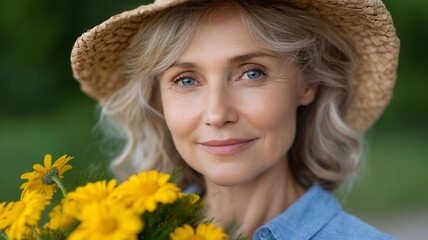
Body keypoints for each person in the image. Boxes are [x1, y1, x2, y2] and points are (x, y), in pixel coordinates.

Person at [70, 0, 400, 239]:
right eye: (186, 80)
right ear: (158, 100)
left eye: (251, 73)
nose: (217, 114)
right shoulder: (123, 230)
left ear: (307, 84)